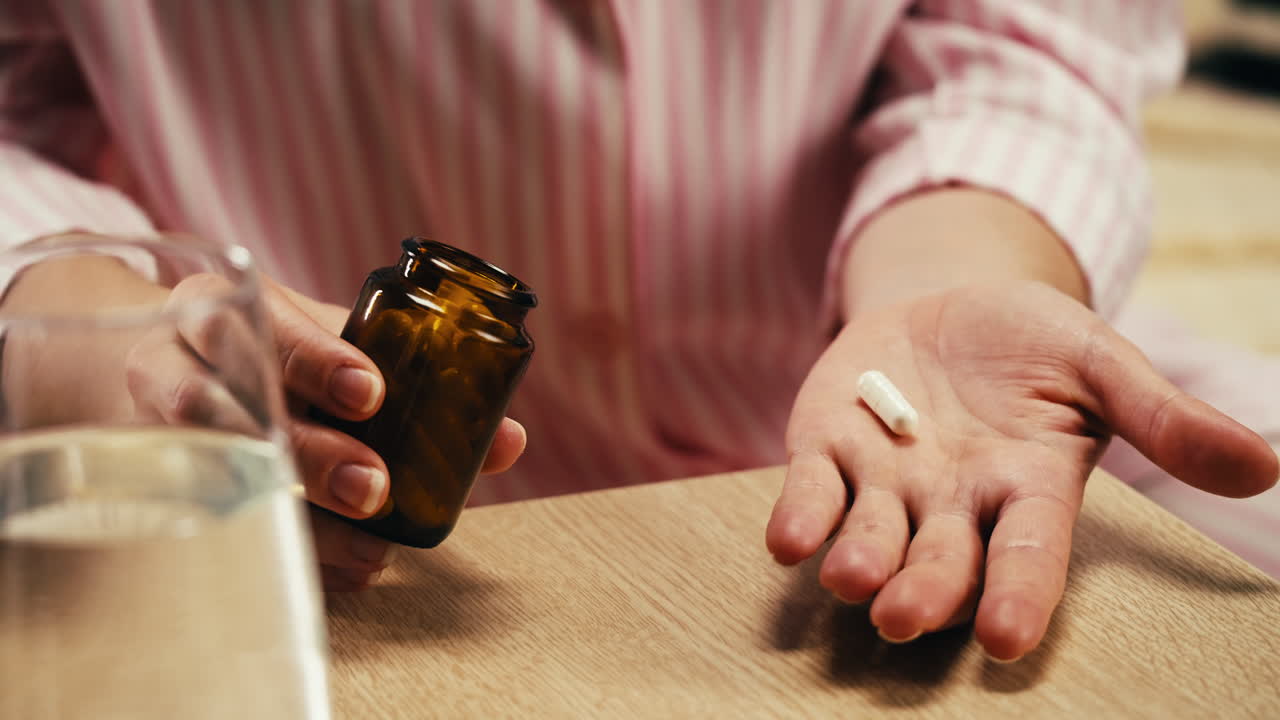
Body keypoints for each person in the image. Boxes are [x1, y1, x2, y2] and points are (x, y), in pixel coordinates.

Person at [1, 1, 1276, 663]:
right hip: (327, 501)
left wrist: (946, 282)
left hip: (942, 411)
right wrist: (117, 340)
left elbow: (1021, 47)